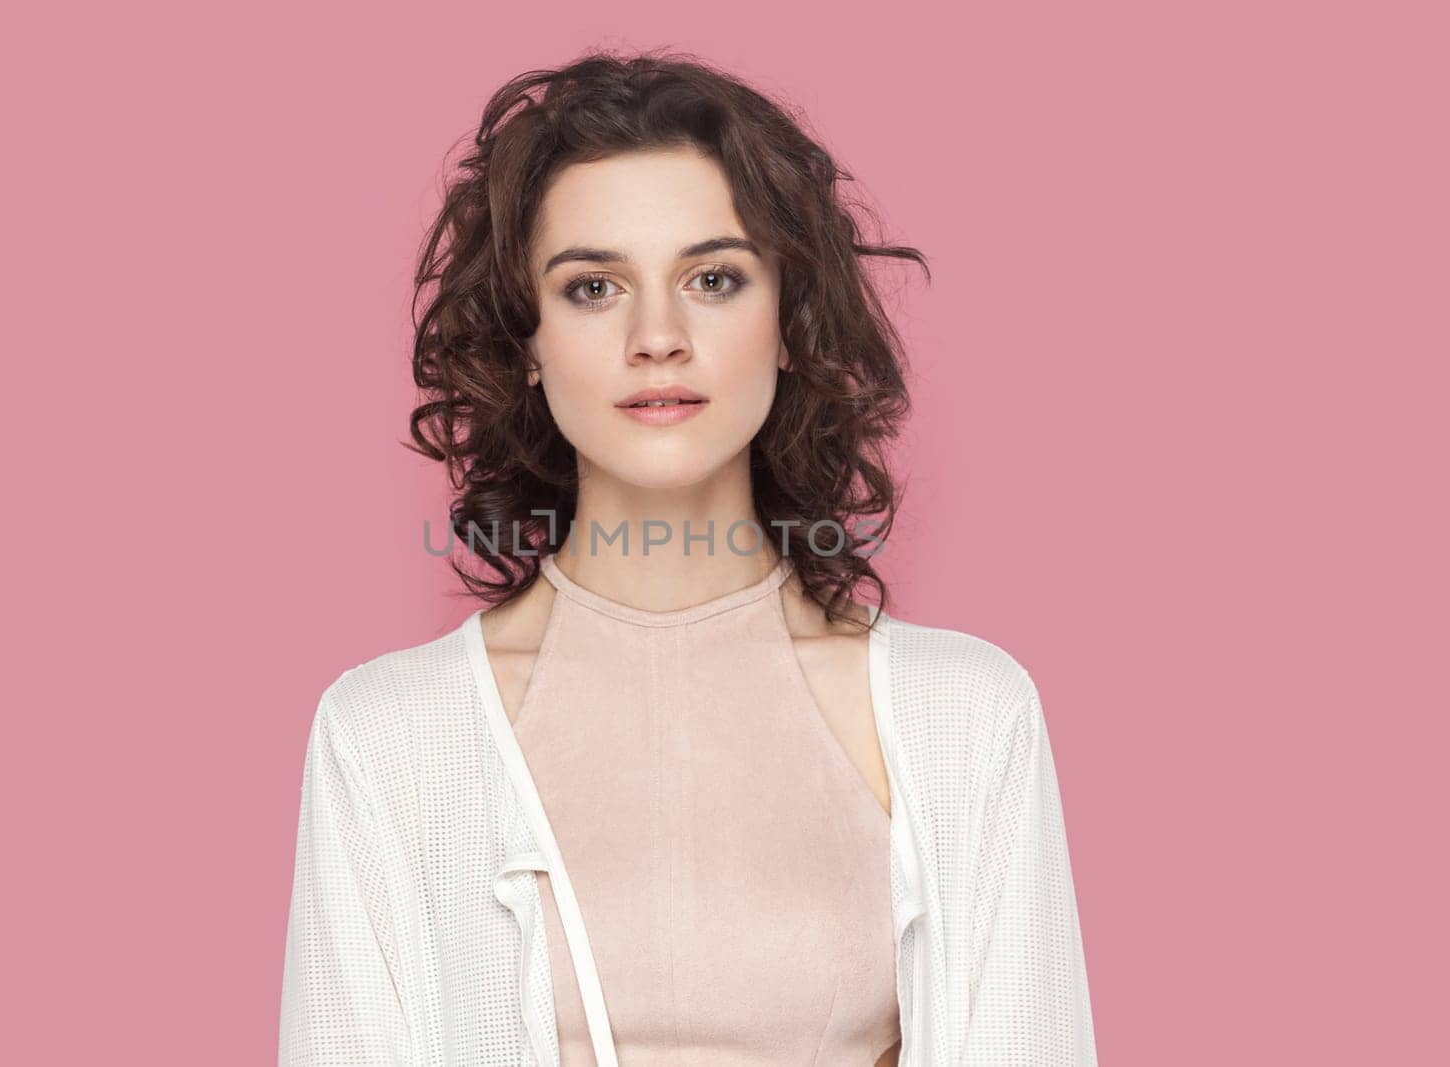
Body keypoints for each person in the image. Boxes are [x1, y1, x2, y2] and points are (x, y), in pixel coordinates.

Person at [278, 49, 1097, 1066]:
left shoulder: (965, 716)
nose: (656, 335)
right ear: (526, 340)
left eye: (712, 278)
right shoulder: (392, 738)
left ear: (787, 320)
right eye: (591, 287)